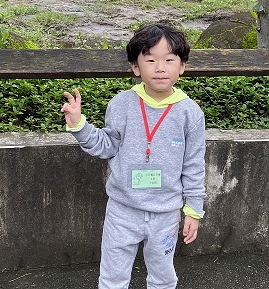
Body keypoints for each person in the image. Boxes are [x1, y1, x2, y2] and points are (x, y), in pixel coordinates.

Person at [61, 23, 206, 289]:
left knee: (163, 277)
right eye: (150, 60)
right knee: (112, 276)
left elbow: (194, 164)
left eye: (169, 60)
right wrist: (79, 125)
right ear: (135, 67)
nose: (160, 68)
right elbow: (107, 146)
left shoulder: (190, 113)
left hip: (165, 212)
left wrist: (194, 210)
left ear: (182, 66)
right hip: (122, 209)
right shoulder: (121, 104)